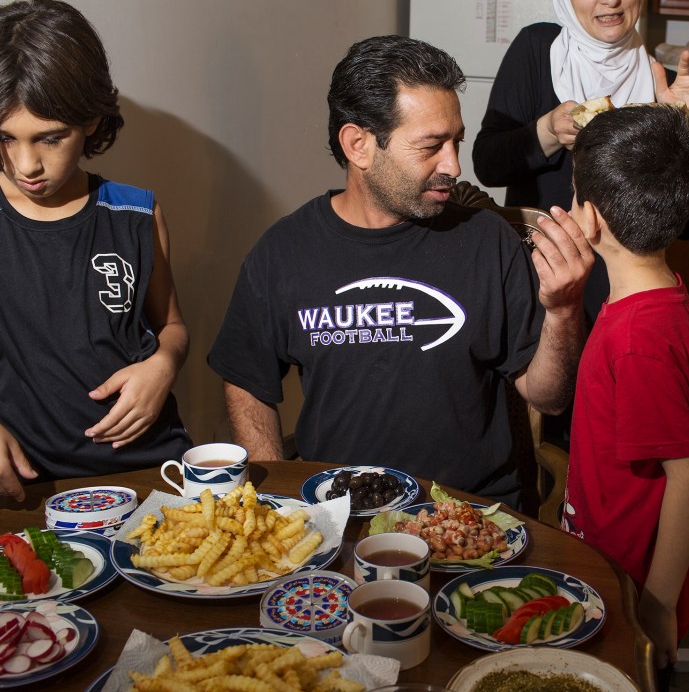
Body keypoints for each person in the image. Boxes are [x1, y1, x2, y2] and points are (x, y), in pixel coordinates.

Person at [208, 35, 591, 507]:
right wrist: (284, 501)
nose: (453, 165)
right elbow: (247, 381)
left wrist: (565, 310)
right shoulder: (283, 252)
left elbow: (548, 396)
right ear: (359, 145)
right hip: (339, 513)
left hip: (471, 516)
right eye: (431, 146)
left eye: (457, 142)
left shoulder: (488, 239)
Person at [0, 0, 191, 501]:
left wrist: (163, 366)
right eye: (4, 138)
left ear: (90, 120)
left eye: (49, 138)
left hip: (154, 474)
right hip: (36, 486)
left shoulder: (135, 214)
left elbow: (170, 325)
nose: (25, 164)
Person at [472, 0, 689, 323]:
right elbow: (487, 165)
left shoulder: (667, 85)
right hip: (541, 281)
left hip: (629, 293)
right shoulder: (537, 50)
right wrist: (547, 131)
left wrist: (688, 128)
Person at [559, 105, 689, 692]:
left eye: (574, 196)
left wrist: (657, 605)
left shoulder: (635, 338)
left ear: (590, 218)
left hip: (629, 578)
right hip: (611, 560)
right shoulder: (659, 293)